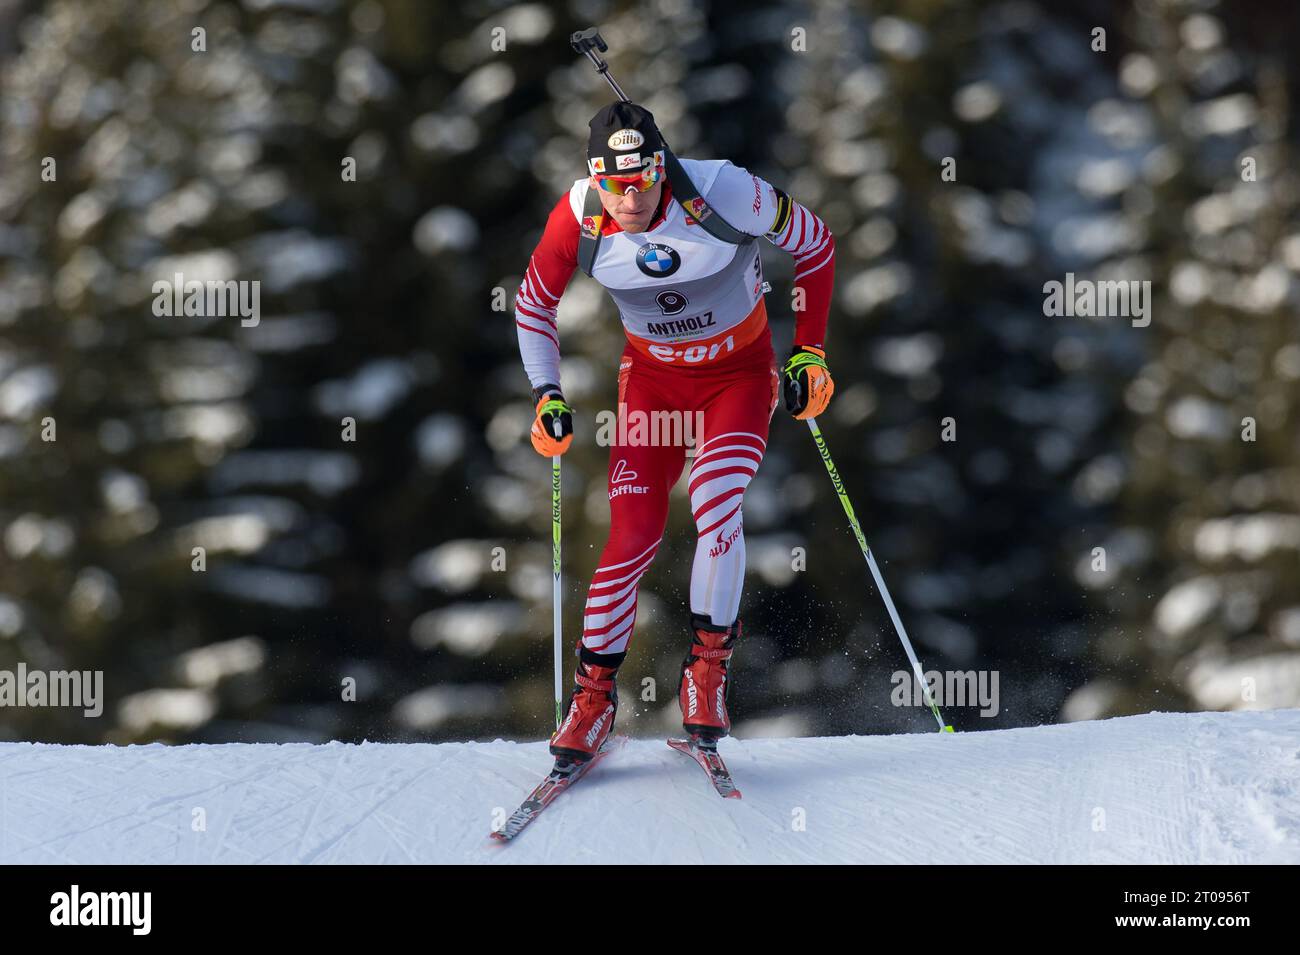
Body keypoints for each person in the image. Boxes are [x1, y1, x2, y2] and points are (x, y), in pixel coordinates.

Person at [514, 101, 836, 761]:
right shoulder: (579, 215)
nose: (627, 196)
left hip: (737, 380)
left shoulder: (724, 191)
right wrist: (547, 394)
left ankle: (707, 674)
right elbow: (532, 303)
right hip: (653, 388)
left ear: (662, 165)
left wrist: (810, 351)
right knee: (632, 531)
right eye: (611, 180)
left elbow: (815, 243)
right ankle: (594, 700)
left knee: (718, 501)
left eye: (640, 178)